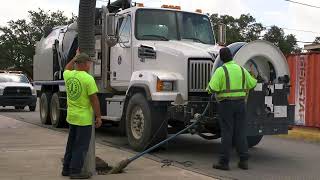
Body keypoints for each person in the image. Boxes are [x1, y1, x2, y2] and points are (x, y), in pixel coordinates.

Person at [206, 47, 257, 171]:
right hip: (240, 104)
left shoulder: (220, 71)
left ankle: (224, 162)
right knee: (240, 132)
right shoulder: (242, 70)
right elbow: (253, 83)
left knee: (227, 133)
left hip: (226, 105)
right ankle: (244, 161)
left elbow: (211, 88)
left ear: (222, 58)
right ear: (232, 56)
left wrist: (210, 89)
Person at [62, 51, 102, 179]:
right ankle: (75, 172)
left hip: (72, 116)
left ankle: (66, 169)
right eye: (89, 63)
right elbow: (94, 99)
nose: (89, 65)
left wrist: (74, 58)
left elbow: (66, 68)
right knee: (81, 146)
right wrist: (98, 116)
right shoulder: (88, 78)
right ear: (84, 64)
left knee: (71, 144)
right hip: (83, 119)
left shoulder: (69, 75)